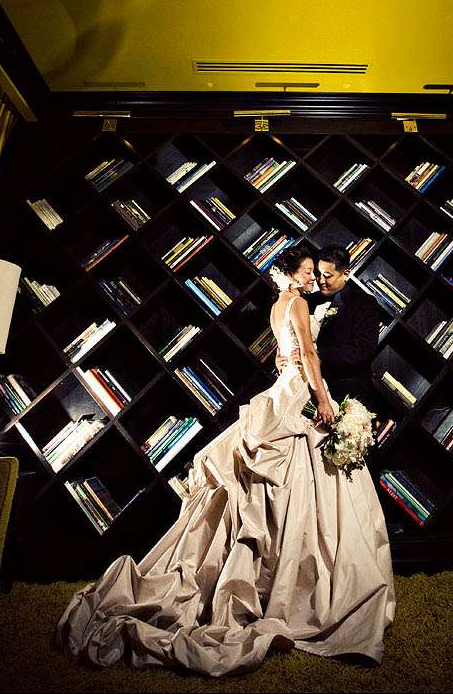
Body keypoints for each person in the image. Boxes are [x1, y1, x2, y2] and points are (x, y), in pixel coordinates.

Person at [54, 244, 396, 678]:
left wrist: (294, 367)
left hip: (287, 388)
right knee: (298, 487)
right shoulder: (298, 303)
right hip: (302, 391)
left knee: (282, 485)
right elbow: (308, 356)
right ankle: (304, 583)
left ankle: (284, 571)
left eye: (318, 272)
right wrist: (323, 400)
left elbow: (289, 354)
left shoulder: (279, 305)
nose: (314, 278)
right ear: (292, 273)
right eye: (309, 271)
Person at [278, 244, 380, 414]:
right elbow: (289, 334)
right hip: (309, 391)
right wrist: (282, 357)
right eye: (318, 274)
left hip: (348, 391)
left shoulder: (364, 303)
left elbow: (363, 350)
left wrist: (317, 355)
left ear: (345, 274)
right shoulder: (304, 301)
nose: (320, 281)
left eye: (327, 276)